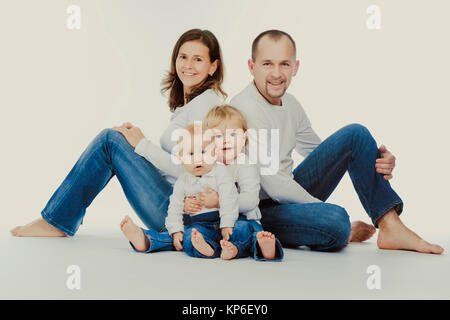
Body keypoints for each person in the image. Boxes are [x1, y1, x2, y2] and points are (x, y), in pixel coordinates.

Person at [230, 29, 444, 254]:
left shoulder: (290, 103)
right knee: (336, 220)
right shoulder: (246, 108)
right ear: (251, 67)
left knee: (356, 136)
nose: (276, 73)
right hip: (257, 210)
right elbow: (276, 186)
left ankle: (390, 225)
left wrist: (373, 158)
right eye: (267, 64)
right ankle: (333, 227)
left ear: (296, 67)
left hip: (286, 195)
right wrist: (322, 208)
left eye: (284, 64)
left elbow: (322, 152)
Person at [10, 28, 226, 237]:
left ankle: (57, 221)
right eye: (183, 57)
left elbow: (198, 171)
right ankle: (60, 219)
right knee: (115, 141)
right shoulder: (192, 104)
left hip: (184, 215)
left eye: (198, 59)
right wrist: (134, 149)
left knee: (109, 141)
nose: (188, 65)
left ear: (213, 66)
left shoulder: (206, 106)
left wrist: (142, 145)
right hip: (177, 204)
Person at [121, 105, 284, 261]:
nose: (226, 141)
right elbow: (182, 182)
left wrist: (218, 201)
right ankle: (147, 239)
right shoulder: (202, 165)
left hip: (243, 220)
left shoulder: (244, 165)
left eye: (233, 135)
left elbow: (250, 201)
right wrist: (186, 204)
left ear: (245, 137)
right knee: (188, 235)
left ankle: (263, 248)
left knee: (244, 232)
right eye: (219, 136)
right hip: (209, 224)